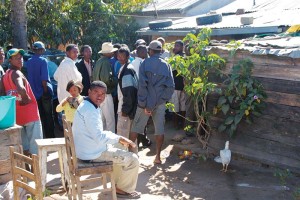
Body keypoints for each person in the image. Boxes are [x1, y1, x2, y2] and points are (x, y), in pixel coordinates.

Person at [72, 81, 141, 199]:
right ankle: (123, 189)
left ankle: (118, 184)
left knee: (123, 146)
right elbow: (99, 137)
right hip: (91, 153)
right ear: (89, 92)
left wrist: (119, 139)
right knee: (133, 159)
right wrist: (118, 138)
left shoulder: (88, 105)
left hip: (88, 148)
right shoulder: (90, 110)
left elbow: (99, 133)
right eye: (96, 92)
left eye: (103, 94)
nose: (100, 96)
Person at [129, 40, 175, 164]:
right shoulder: (166, 65)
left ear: (150, 51)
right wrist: (160, 100)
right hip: (159, 104)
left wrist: (145, 104)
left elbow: (142, 85)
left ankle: (131, 156)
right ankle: (158, 157)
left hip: (145, 103)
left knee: (135, 128)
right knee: (159, 129)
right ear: (160, 51)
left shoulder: (145, 63)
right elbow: (170, 87)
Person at [1, 48, 43, 155]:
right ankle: (36, 171)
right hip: (30, 115)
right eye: (16, 58)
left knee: (25, 148)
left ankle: (28, 171)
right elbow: (21, 88)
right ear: (9, 60)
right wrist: (26, 98)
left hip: (17, 116)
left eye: (21, 58)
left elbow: (2, 95)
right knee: (36, 148)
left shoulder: (5, 76)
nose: (20, 60)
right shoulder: (17, 73)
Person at [26, 41, 55, 138]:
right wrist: (46, 91)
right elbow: (44, 80)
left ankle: (41, 137)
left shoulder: (28, 62)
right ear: (41, 50)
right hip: (43, 92)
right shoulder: (43, 61)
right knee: (48, 116)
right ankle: (50, 137)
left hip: (34, 94)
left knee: (40, 117)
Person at [92, 42, 118, 132]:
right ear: (107, 53)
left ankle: (103, 142)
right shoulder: (106, 62)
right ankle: (111, 142)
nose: (113, 53)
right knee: (110, 120)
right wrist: (116, 79)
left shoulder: (99, 61)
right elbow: (107, 79)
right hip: (105, 94)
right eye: (111, 52)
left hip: (98, 94)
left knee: (102, 119)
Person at [131, 45, 152, 147]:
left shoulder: (134, 62)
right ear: (142, 52)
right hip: (141, 95)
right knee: (141, 120)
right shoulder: (141, 64)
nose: (147, 53)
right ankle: (140, 141)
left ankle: (142, 140)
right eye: (146, 51)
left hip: (136, 94)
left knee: (139, 119)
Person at [116, 47, 138, 138]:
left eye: (122, 56)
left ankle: (127, 152)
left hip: (125, 109)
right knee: (129, 136)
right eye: (119, 56)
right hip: (127, 107)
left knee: (123, 137)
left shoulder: (127, 70)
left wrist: (125, 110)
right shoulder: (125, 67)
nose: (120, 58)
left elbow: (129, 92)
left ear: (128, 56)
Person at [169, 40, 186, 129]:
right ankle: (182, 124)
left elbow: (171, 70)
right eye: (175, 45)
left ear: (182, 47)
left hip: (176, 85)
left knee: (175, 105)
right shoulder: (186, 57)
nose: (175, 47)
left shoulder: (176, 58)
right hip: (183, 85)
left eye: (178, 46)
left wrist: (173, 55)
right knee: (182, 105)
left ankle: (175, 124)